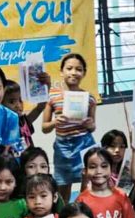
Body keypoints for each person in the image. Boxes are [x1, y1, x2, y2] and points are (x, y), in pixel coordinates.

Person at [42, 53, 98, 202]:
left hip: (84, 144)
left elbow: (93, 127)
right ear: (62, 72)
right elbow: (44, 127)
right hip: (63, 147)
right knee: (62, 189)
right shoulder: (52, 96)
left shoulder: (89, 98)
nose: (74, 72)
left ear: (84, 73)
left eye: (79, 69)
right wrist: (55, 122)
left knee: (87, 186)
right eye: (69, 68)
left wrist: (89, 125)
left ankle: (84, 214)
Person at [2, 77, 49, 152]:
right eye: (11, 101)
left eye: (20, 100)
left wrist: (45, 88)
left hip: (29, 162)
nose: (18, 105)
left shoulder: (24, 121)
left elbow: (40, 107)